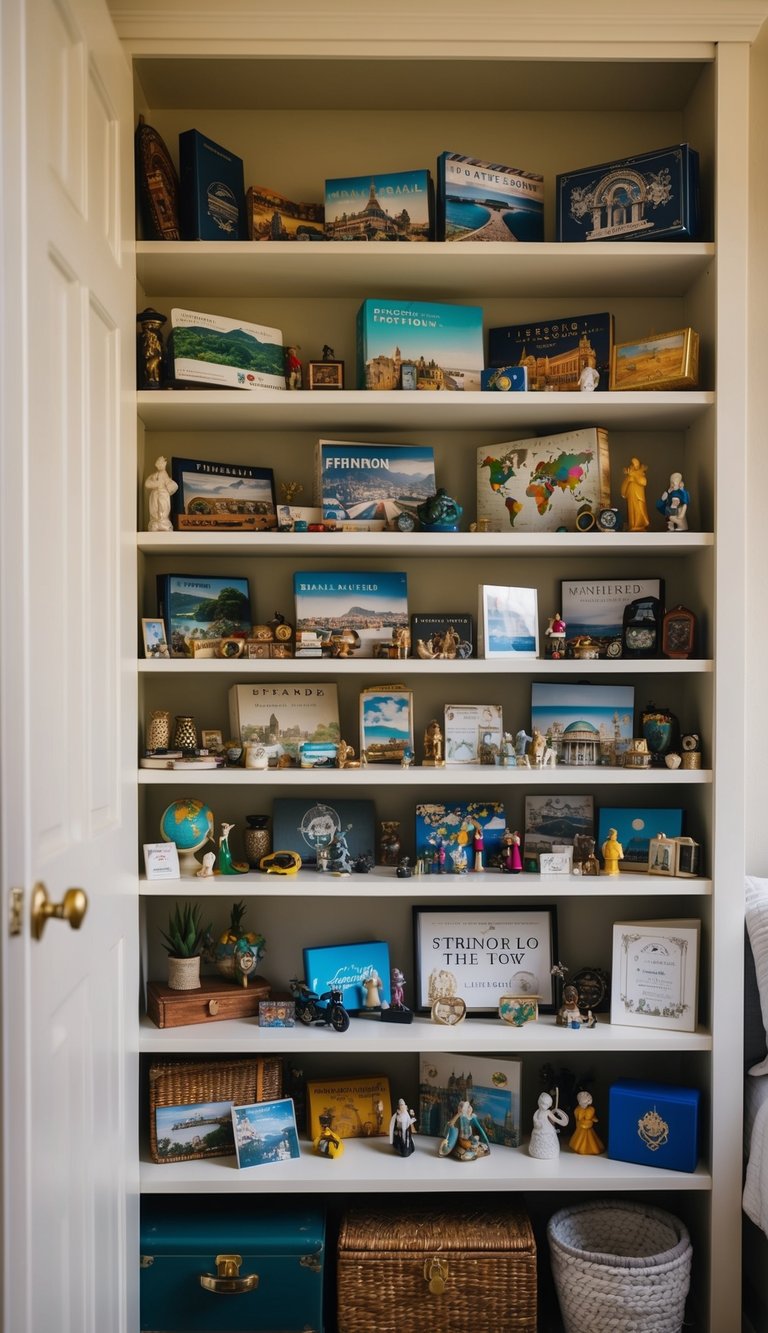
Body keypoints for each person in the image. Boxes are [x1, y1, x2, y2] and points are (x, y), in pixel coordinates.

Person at [528, 1091, 569, 1159]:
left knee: (548, 1141)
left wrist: (559, 1113)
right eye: (542, 1103)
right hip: (538, 1130)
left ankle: (550, 1152)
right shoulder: (537, 1111)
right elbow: (535, 1118)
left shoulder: (548, 1112)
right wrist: (536, 1122)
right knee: (538, 1141)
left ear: (549, 1105)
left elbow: (560, 1121)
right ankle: (536, 1152)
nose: (543, 1106)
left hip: (547, 1130)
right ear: (539, 1102)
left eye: (546, 1105)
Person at [144, 455, 178, 532]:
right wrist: (156, 483)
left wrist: (168, 485)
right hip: (155, 493)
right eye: (158, 464)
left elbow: (170, 485)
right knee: (155, 507)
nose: (159, 465)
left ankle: (163, 522)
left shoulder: (165, 475)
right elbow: (147, 483)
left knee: (163, 506)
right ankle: (156, 522)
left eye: (161, 464)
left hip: (163, 493)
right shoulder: (154, 475)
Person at [569, 1090, 605, 1155]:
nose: (586, 1104)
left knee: (591, 1139)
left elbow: (591, 1117)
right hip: (581, 1127)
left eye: (587, 1102)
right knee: (581, 1137)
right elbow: (578, 1118)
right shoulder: (578, 1110)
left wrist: (593, 1119)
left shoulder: (591, 1109)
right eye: (585, 1103)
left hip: (589, 1126)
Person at [620, 456, 650, 531]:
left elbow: (644, 482)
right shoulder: (629, 476)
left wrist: (634, 476)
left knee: (640, 510)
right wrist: (624, 492)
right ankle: (632, 525)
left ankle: (640, 524)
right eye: (633, 465)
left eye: (635, 465)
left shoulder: (640, 474)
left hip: (639, 497)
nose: (633, 466)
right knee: (632, 511)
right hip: (631, 495)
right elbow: (624, 485)